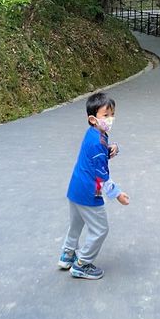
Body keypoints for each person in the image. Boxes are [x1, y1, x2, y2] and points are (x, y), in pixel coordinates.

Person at [58, 91, 130, 279]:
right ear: (92, 119)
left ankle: (67, 254)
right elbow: (102, 177)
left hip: (76, 189)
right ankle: (82, 263)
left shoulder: (95, 134)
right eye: (106, 115)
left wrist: (110, 149)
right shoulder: (98, 140)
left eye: (112, 114)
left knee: (76, 224)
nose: (110, 119)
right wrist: (118, 194)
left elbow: (95, 155)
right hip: (90, 192)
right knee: (100, 229)